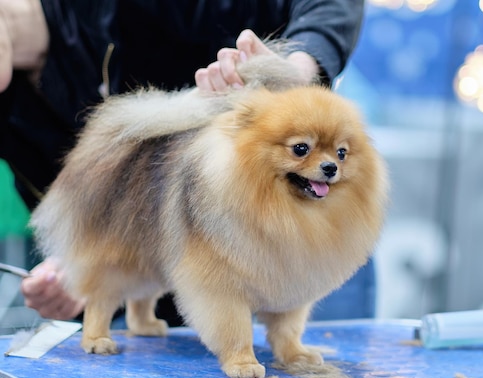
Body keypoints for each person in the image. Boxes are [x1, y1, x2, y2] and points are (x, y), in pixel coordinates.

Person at [0, 0, 374, 324]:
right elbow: (102, 218)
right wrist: (80, 267)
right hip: (186, 295)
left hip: (308, 246)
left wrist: (297, 76)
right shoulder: (10, 107)